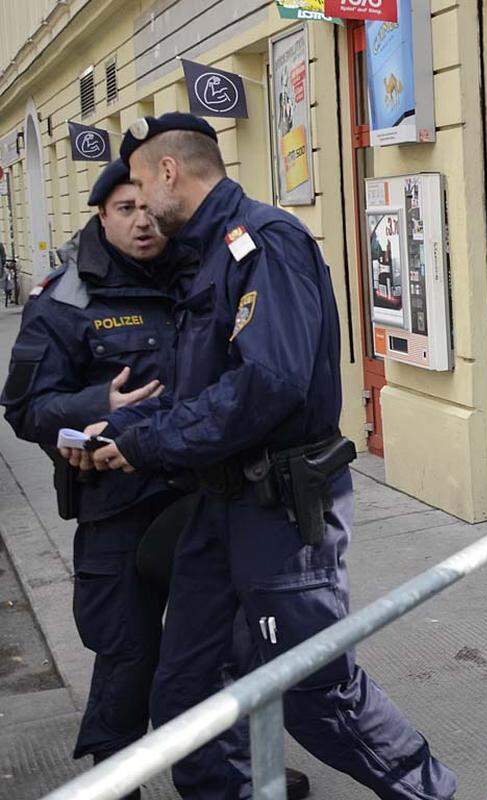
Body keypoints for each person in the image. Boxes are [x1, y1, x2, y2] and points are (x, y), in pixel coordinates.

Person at [69, 113, 456, 800]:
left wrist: (151, 442)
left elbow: (265, 386)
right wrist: (125, 433)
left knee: (316, 690)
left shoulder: (264, 243)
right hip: (220, 507)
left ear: (168, 172)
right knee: (186, 691)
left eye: (137, 181)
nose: (136, 202)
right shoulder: (209, 253)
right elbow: (204, 386)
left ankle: (431, 792)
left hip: (279, 510)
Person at [1, 161, 196, 790]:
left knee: (214, 645)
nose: (142, 222)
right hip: (117, 507)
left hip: (198, 494)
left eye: (149, 207)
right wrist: (92, 410)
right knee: (126, 652)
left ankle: (224, 769)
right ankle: (116, 774)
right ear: (100, 217)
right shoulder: (65, 298)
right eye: (123, 210)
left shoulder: (197, 275)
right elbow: (25, 408)